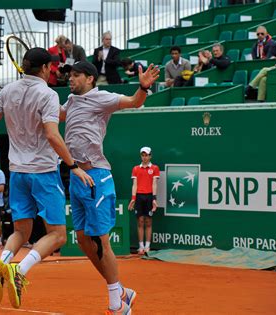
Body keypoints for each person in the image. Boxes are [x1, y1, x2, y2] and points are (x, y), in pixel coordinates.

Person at [0, 47, 94, 309]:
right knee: (58, 235)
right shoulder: (48, 94)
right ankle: (19, 270)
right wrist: (73, 165)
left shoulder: (8, 90)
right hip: (43, 172)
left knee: (21, 230)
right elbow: (53, 135)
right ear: (44, 69)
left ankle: (3, 261)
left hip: (17, 172)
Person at [60, 60, 160, 314]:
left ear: (90, 79)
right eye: (70, 75)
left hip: (97, 176)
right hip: (76, 175)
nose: (71, 79)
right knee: (83, 239)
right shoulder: (71, 101)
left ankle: (117, 304)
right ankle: (121, 290)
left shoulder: (102, 98)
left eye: (76, 75)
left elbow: (134, 102)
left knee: (100, 240)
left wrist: (143, 88)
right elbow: (54, 117)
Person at [128, 147, 160, 255]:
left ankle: (147, 246)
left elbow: (154, 184)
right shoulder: (136, 169)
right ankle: (141, 247)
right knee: (140, 221)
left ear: (150, 156)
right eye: (143, 155)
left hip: (149, 196)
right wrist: (133, 199)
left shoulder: (155, 168)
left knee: (148, 222)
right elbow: (134, 185)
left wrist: (154, 199)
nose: (144, 157)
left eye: (146, 155)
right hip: (139, 197)